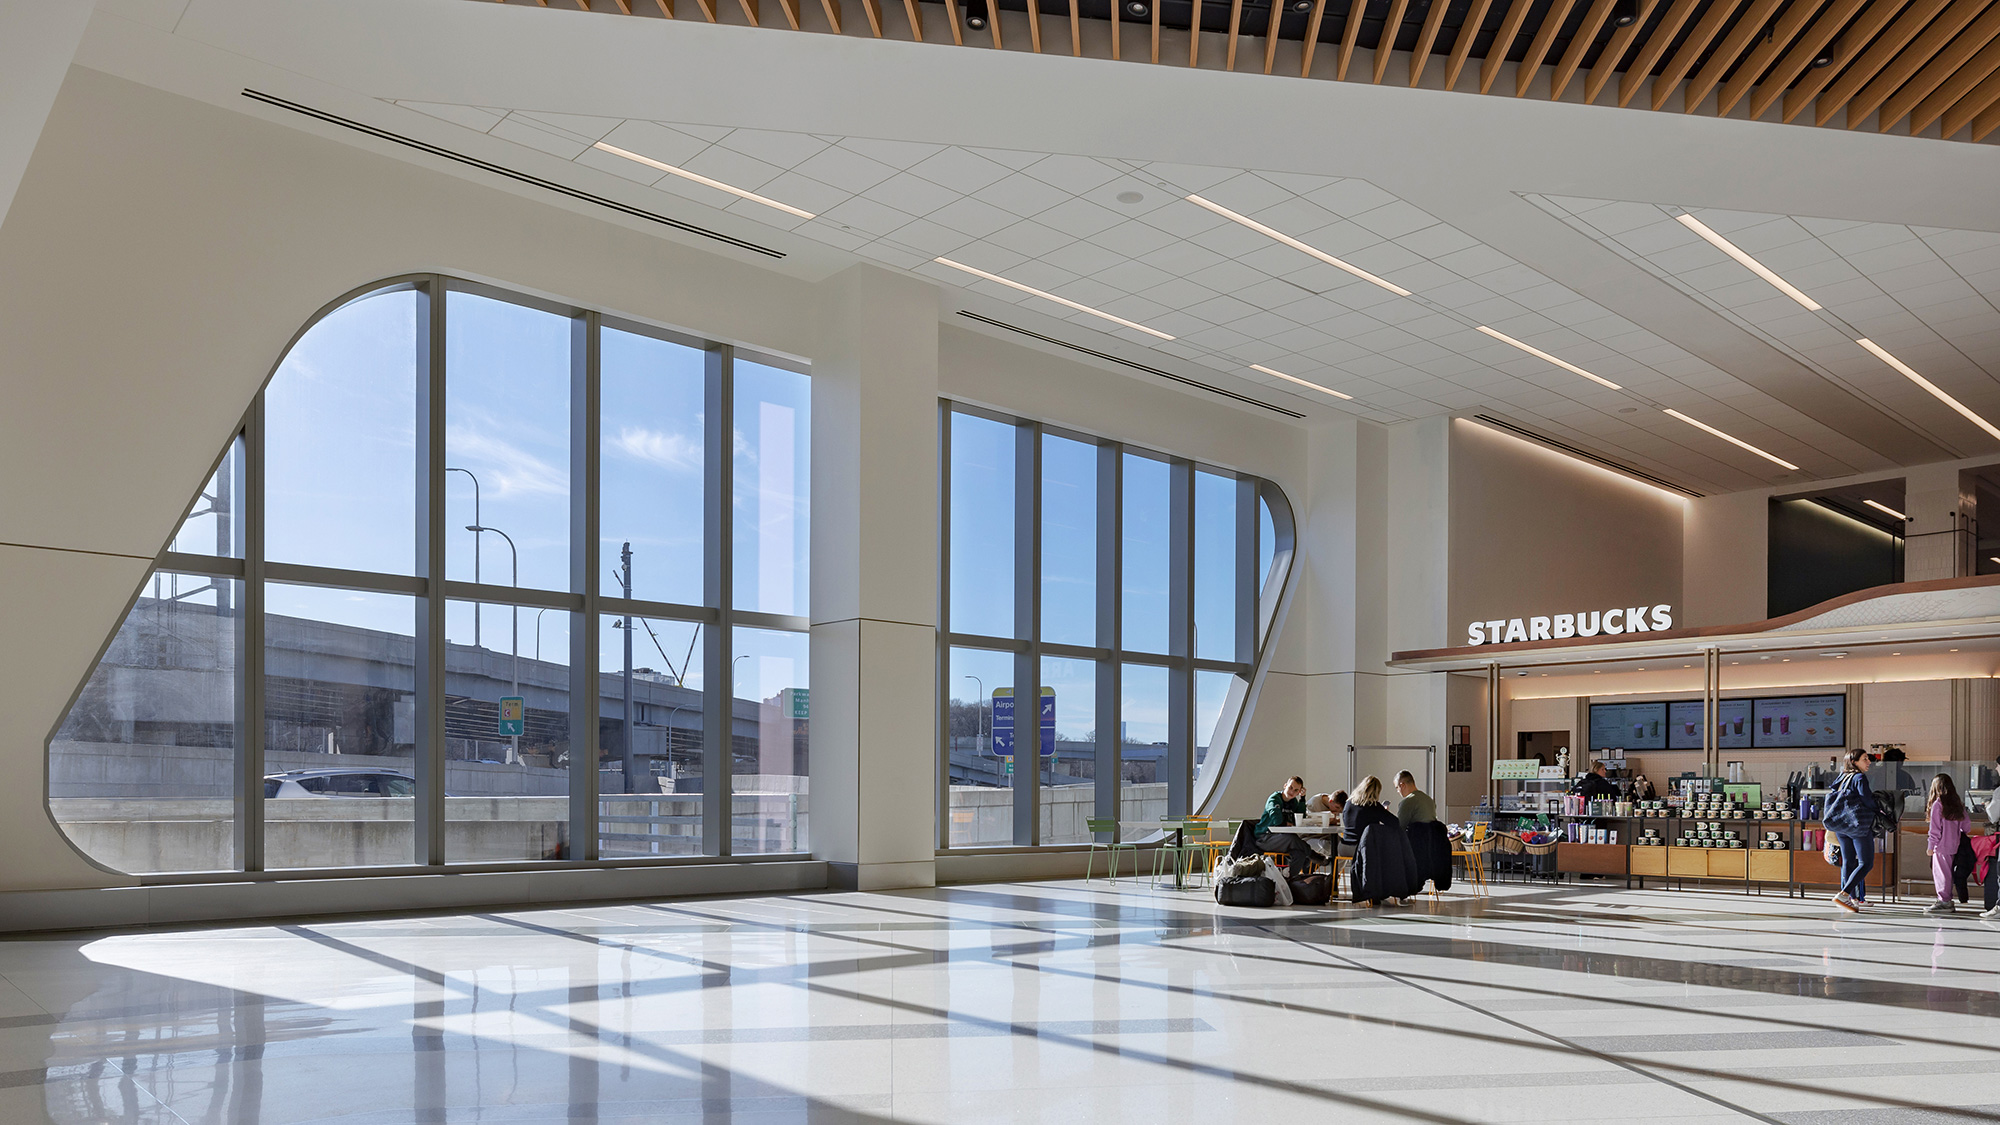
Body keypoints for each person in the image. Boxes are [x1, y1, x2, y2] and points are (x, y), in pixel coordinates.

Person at [1343, 775, 1419, 907]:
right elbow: (1395, 823)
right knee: (1387, 853)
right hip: (1361, 850)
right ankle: (1387, 889)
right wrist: (1383, 812)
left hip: (1344, 846)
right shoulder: (1373, 806)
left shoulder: (1348, 803)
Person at [1821, 748, 1879, 914]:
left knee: (1848, 861)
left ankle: (1852, 899)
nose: (1868, 762)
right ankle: (1844, 894)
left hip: (1841, 825)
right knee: (1866, 863)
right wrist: (1880, 809)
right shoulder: (1859, 778)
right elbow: (1867, 800)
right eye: (1865, 759)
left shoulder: (1842, 777)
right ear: (1854, 762)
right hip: (1857, 825)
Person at [1926, 773, 1971, 915]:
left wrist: (1930, 847)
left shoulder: (1938, 805)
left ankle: (1944, 901)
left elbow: (1935, 830)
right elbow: (1967, 827)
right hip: (1955, 845)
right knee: (1949, 874)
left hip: (1940, 846)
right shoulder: (1958, 805)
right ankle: (1947, 899)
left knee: (1941, 874)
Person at [1254, 775, 1316, 874]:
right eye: (1290, 787)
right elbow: (1277, 820)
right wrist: (1285, 822)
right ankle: (1314, 855)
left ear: (1299, 792)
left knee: (1300, 854)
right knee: (1292, 839)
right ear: (1285, 786)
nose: (1292, 792)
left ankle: (1290, 878)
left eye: (1296, 790)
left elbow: (1300, 818)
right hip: (1265, 837)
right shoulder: (1274, 798)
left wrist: (1302, 799)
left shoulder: (1293, 801)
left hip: (1282, 838)